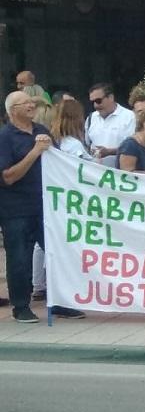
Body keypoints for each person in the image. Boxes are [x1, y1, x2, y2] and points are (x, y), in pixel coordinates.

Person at [0, 90, 85, 322]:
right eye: (24, 103)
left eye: (30, 101)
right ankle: (20, 306)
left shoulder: (41, 131)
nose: (31, 105)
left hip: (47, 206)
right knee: (20, 258)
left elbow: (59, 164)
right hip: (16, 208)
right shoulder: (5, 137)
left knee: (58, 253)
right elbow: (8, 177)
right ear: (12, 110)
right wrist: (35, 152)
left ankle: (60, 301)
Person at [84, 82, 135, 168]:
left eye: (98, 101)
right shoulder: (91, 118)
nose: (95, 105)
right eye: (93, 102)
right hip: (95, 174)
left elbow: (134, 147)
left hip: (120, 174)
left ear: (111, 97)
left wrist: (110, 152)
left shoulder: (129, 117)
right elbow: (87, 145)